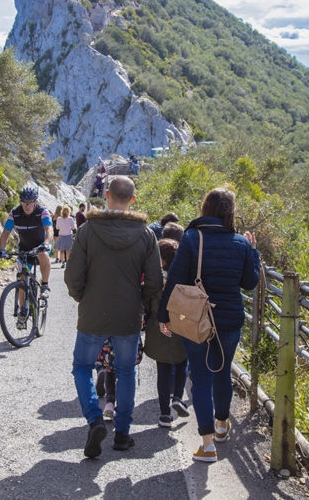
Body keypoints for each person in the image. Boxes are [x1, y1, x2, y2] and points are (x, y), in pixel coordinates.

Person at [157, 187, 260, 464]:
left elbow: (176, 278)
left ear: (205, 209)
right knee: (222, 372)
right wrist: (254, 252)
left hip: (197, 318)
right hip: (230, 319)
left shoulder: (192, 237)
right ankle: (222, 425)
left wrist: (163, 315)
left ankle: (207, 445)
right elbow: (250, 282)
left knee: (200, 376)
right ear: (230, 212)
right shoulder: (240, 243)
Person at [65, 175, 162, 458]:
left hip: (92, 314)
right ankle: (122, 434)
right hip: (129, 315)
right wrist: (141, 303)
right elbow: (155, 281)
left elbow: (73, 277)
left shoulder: (87, 230)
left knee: (82, 367)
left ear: (106, 195)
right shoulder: (146, 235)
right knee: (126, 371)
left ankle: (95, 419)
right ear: (132, 200)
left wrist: (83, 298)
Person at [144, 237, 189, 427]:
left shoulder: (155, 281)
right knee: (182, 363)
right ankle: (178, 396)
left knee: (162, 370)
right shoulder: (183, 280)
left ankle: (164, 414)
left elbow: (146, 302)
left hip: (158, 328)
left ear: (160, 259)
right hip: (182, 326)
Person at [0, 186, 53, 294]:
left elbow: (49, 230)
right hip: (24, 247)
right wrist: (2, 250)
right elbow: (5, 233)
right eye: (24, 202)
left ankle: (45, 285)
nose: (27, 206)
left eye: (29, 202)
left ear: (35, 202)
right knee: (22, 282)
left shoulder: (43, 212)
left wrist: (46, 243)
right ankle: (23, 310)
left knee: (43, 254)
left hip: (41, 245)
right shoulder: (14, 213)